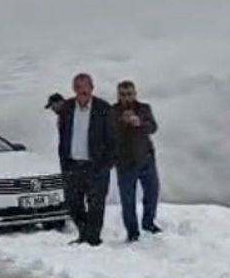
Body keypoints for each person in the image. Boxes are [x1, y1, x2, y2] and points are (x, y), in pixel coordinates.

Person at [56, 73, 117, 245]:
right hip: (72, 165)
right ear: (74, 89)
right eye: (78, 87)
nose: (82, 91)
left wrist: (107, 163)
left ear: (92, 88)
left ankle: (93, 238)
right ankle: (84, 233)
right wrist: (64, 161)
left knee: (96, 204)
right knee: (73, 203)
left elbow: (112, 138)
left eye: (85, 87)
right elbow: (63, 134)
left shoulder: (103, 108)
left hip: (96, 166)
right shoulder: (67, 108)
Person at [113, 81, 160, 242]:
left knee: (152, 193)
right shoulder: (112, 112)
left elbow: (153, 127)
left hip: (145, 159)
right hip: (125, 163)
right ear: (118, 95)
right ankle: (132, 232)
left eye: (129, 94)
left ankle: (148, 222)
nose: (126, 97)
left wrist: (139, 122)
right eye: (123, 94)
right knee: (128, 200)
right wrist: (121, 122)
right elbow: (107, 134)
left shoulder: (144, 108)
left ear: (135, 94)